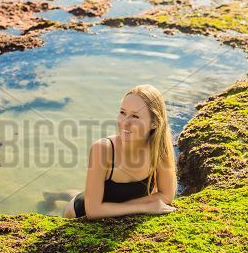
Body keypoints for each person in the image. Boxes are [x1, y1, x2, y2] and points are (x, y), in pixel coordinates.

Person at [43, 84, 178, 219]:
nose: (124, 122)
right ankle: (53, 196)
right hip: (77, 213)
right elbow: (93, 211)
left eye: (135, 116)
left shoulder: (159, 149)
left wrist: (124, 207)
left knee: (84, 194)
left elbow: (166, 195)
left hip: (96, 201)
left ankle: (53, 195)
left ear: (154, 123)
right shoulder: (103, 149)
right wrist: (144, 207)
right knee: (78, 197)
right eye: (122, 112)